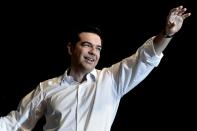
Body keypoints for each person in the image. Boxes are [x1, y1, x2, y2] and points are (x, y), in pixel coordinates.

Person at [0, 5, 191, 131]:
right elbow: (13, 124)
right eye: (87, 45)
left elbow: (145, 58)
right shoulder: (46, 88)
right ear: (70, 48)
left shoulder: (111, 80)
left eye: (98, 48)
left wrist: (166, 34)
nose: (93, 52)